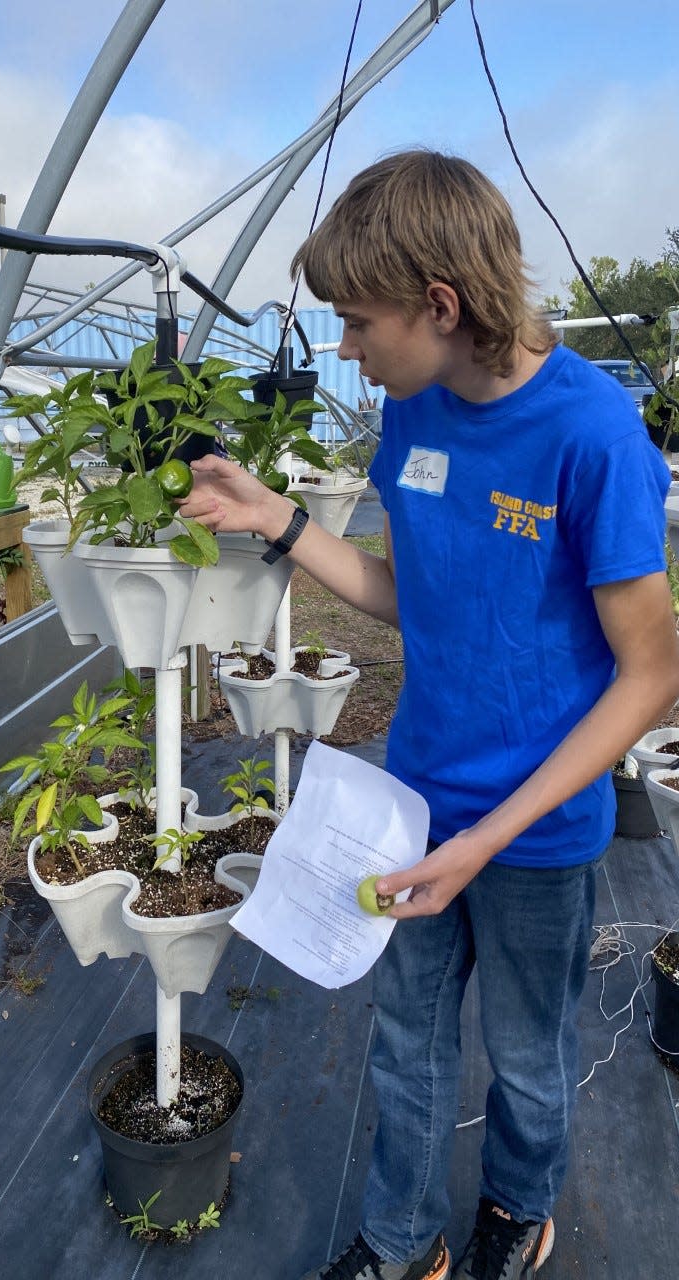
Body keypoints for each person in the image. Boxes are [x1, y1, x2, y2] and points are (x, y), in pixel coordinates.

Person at [178, 150, 679, 1280]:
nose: (347, 351)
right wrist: (279, 521)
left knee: (527, 1050)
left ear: (440, 306)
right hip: (412, 803)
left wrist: (486, 842)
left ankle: (518, 1204)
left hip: (534, 834)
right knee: (404, 1038)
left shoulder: (592, 435)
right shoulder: (413, 415)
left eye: (357, 322)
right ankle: (405, 1238)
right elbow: (411, 596)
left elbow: (653, 674)